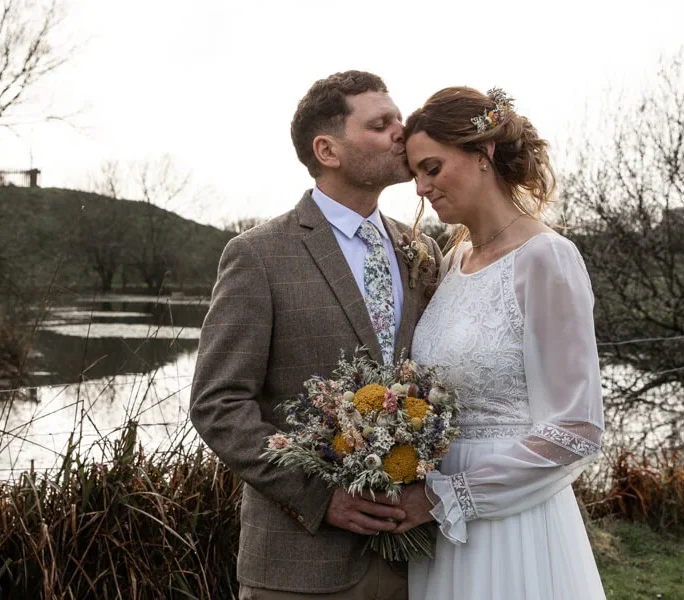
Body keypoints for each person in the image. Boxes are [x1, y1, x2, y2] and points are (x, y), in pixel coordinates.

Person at [190, 71, 441, 600]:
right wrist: (318, 496)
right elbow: (218, 404)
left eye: (398, 118)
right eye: (381, 124)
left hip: (415, 561)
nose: (402, 130)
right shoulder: (258, 255)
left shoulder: (422, 250)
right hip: (299, 566)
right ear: (328, 150)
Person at [395, 87, 606, 599]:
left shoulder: (546, 258)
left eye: (432, 168)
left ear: (483, 152)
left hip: (511, 522)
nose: (421, 188)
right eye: (416, 174)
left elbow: (576, 428)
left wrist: (453, 495)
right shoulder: (453, 261)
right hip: (440, 521)